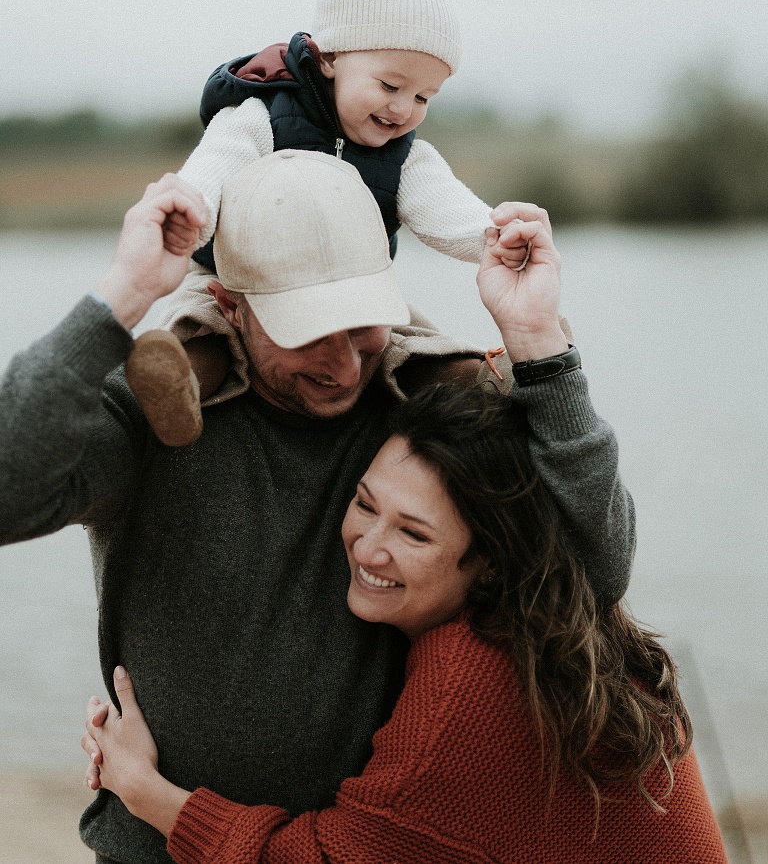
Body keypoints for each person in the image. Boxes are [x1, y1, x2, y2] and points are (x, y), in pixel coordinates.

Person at [0, 150, 633, 864]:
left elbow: (594, 567)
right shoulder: (157, 412)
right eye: (307, 332)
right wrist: (122, 295)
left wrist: (540, 346)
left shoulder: (428, 411)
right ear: (230, 307)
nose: (343, 364)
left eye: (362, 323)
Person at [80, 383, 728, 863]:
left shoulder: (473, 675)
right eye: (365, 504)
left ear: (493, 565)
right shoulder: (559, 628)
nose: (367, 548)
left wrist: (143, 791)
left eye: (413, 534)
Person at [126, 0, 505, 447]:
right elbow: (216, 163)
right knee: (204, 327)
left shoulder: (405, 155)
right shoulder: (262, 115)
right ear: (329, 58)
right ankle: (175, 389)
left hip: (355, 288)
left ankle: (478, 381)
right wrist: (191, 209)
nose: (403, 109)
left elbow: (444, 207)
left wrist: (493, 237)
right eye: (390, 86)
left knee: (407, 341)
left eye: (423, 96)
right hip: (239, 279)